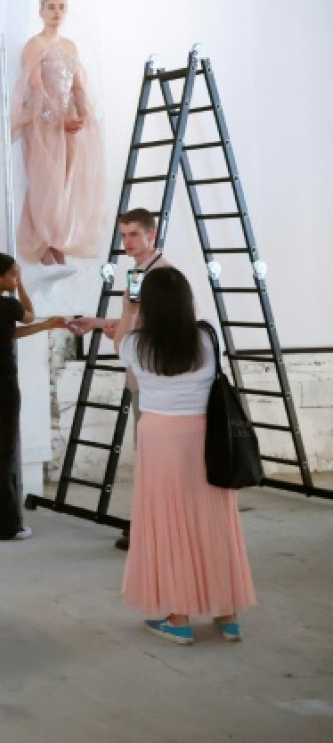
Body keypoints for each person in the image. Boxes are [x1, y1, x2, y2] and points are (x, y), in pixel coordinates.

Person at [115, 267, 256, 645]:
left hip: (159, 437)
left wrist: (129, 309)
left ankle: (178, 619)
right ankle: (228, 616)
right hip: (204, 436)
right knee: (213, 520)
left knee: (168, 522)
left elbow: (120, 346)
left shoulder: (135, 344)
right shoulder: (208, 336)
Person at [68, 208, 171, 551]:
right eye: (123, 235)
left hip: (154, 379)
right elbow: (133, 322)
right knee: (149, 454)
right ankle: (147, 525)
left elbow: (142, 330)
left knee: (156, 456)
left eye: (133, 235)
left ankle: (153, 528)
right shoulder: (140, 273)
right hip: (143, 375)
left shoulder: (159, 274)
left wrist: (118, 337)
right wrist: (98, 323)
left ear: (151, 235)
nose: (126, 242)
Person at [0, 253, 67, 541]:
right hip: (1, 385)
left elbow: (8, 334)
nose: (15, 278)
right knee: (7, 452)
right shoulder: (8, 303)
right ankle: (3, 525)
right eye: (12, 274)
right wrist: (23, 288)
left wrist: (47, 326)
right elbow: (28, 314)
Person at [13, 0, 109, 267]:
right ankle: (41, 241)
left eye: (62, 7)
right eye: (51, 7)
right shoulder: (35, 45)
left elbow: (78, 86)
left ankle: (56, 238)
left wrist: (85, 116)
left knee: (65, 182)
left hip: (68, 125)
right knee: (46, 182)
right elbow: (36, 89)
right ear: (41, 11)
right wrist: (57, 120)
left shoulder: (69, 46)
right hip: (43, 124)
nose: (57, 12)